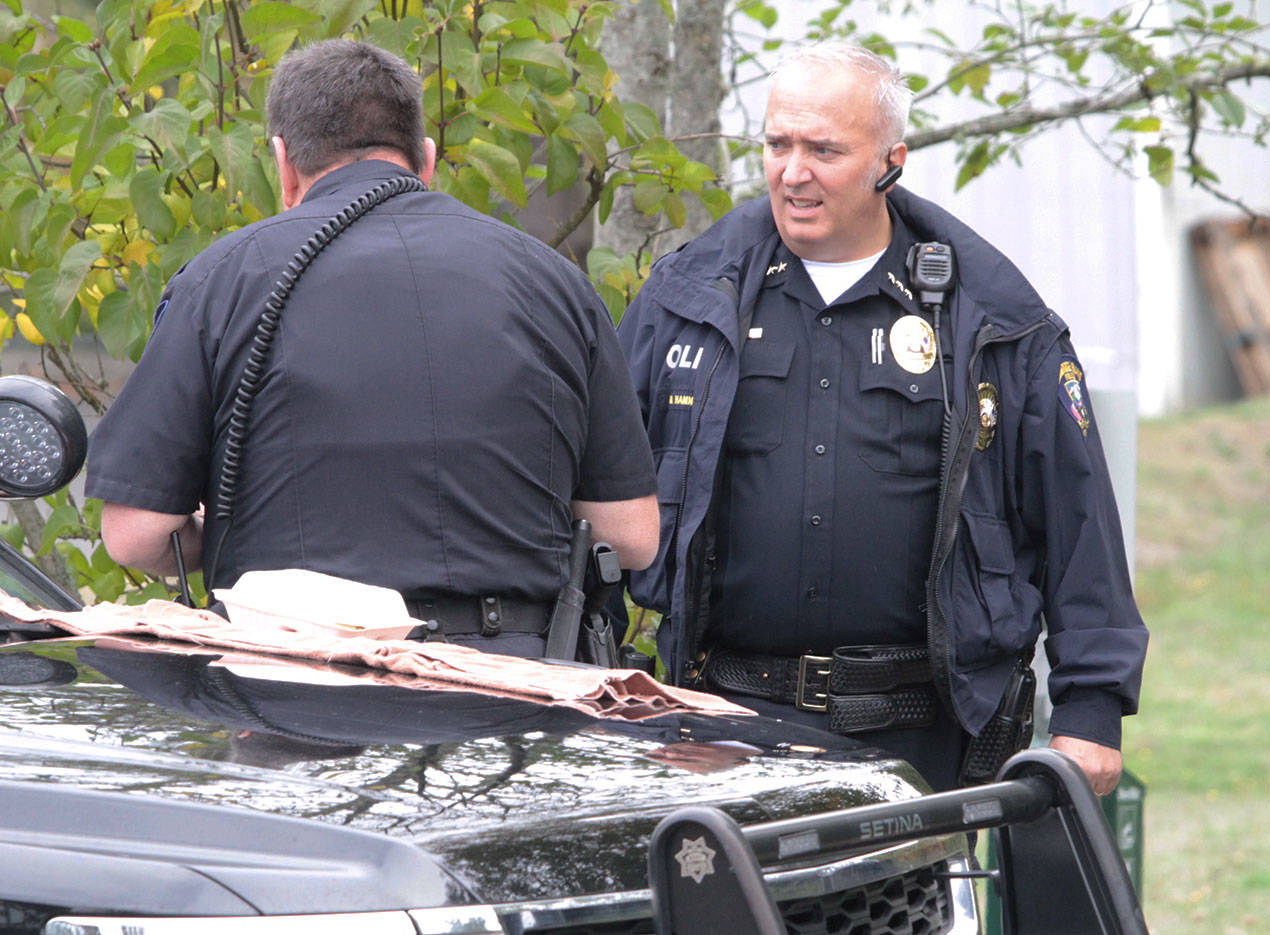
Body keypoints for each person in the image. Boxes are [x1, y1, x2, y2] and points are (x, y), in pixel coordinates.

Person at [615, 41, 1147, 793]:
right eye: (777, 144)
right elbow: (595, 482)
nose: (792, 171)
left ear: (890, 161)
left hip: (925, 733)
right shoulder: (687, 300)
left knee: (906, 915)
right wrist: (593, 673)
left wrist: (1091, 710)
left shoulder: (994, 320)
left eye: (823, 149)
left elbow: (1077, 517)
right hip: (720, 722)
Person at [87, 39, 659, 658]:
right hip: (510, 694)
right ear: (427, 160)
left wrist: (229, 528)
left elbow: (136, 535)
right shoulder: (555, 283)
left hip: (296, 687)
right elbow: (630, 537)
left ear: (283, 163)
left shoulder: (221, 279)